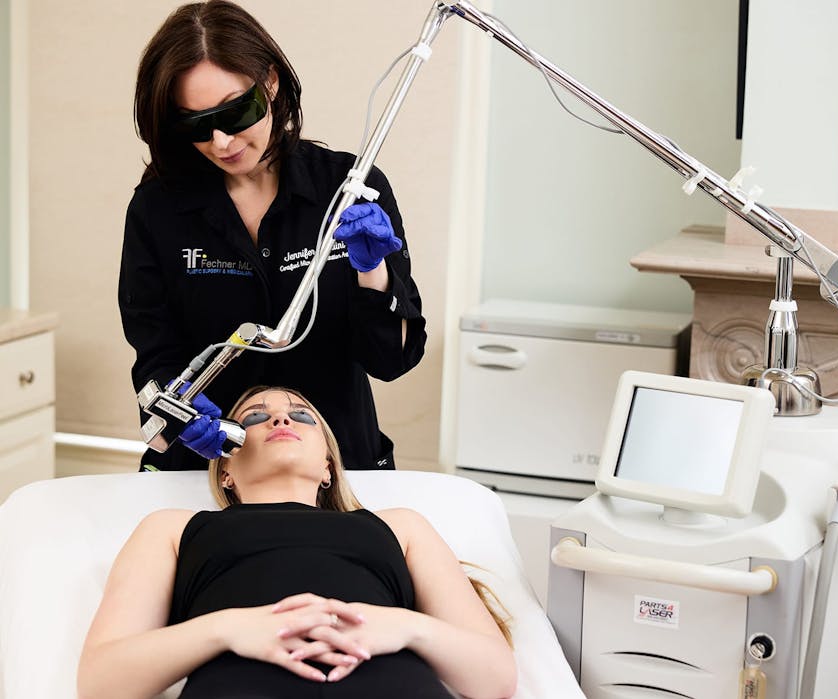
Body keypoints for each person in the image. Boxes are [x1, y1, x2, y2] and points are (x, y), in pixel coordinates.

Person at [119, 0, 426, 472]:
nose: (221, 141)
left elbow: (392, 361)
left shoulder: (348, 189)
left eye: (236, 111)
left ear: (271, 82)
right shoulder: (157, 209)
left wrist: (373, 273)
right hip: (211, 470)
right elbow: (155, 355)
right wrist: (176, 412)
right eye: (197, 124)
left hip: (332, 471)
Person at [77, 387, 517, 699]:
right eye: (254, 417)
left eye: (302, 416)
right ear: (225, 470)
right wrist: (228, 629)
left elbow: (494, 677)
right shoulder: (173, 528)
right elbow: (102, 682)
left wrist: (404, 627)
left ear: (328, 466)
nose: (281, 420)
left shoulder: (401, 526)